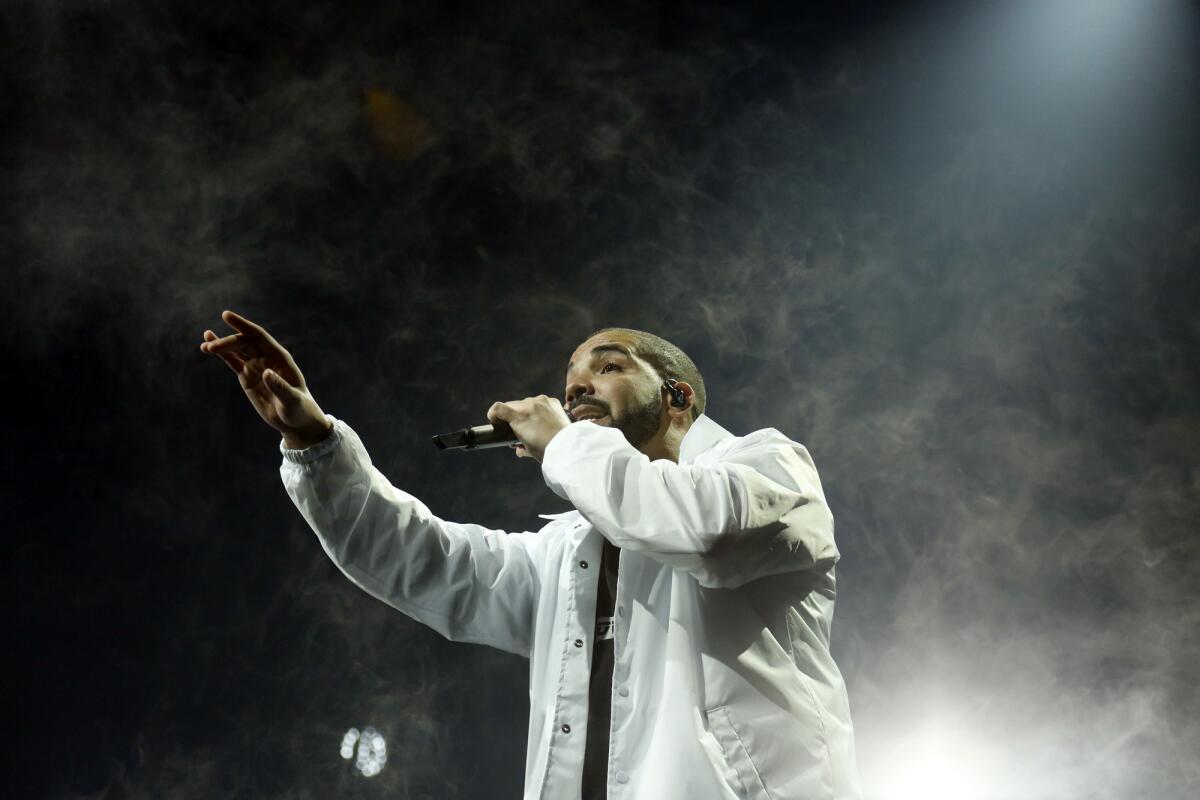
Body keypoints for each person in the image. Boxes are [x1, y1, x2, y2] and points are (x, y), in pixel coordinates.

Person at [200, 309, 861, 799]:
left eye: (606, 367)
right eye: (569, 380)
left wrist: (565, 445)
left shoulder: (768, 467)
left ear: (677, 396)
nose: (575, 390)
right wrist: (314, 441)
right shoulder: (563, 553)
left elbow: (702, 533)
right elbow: (427, 560)